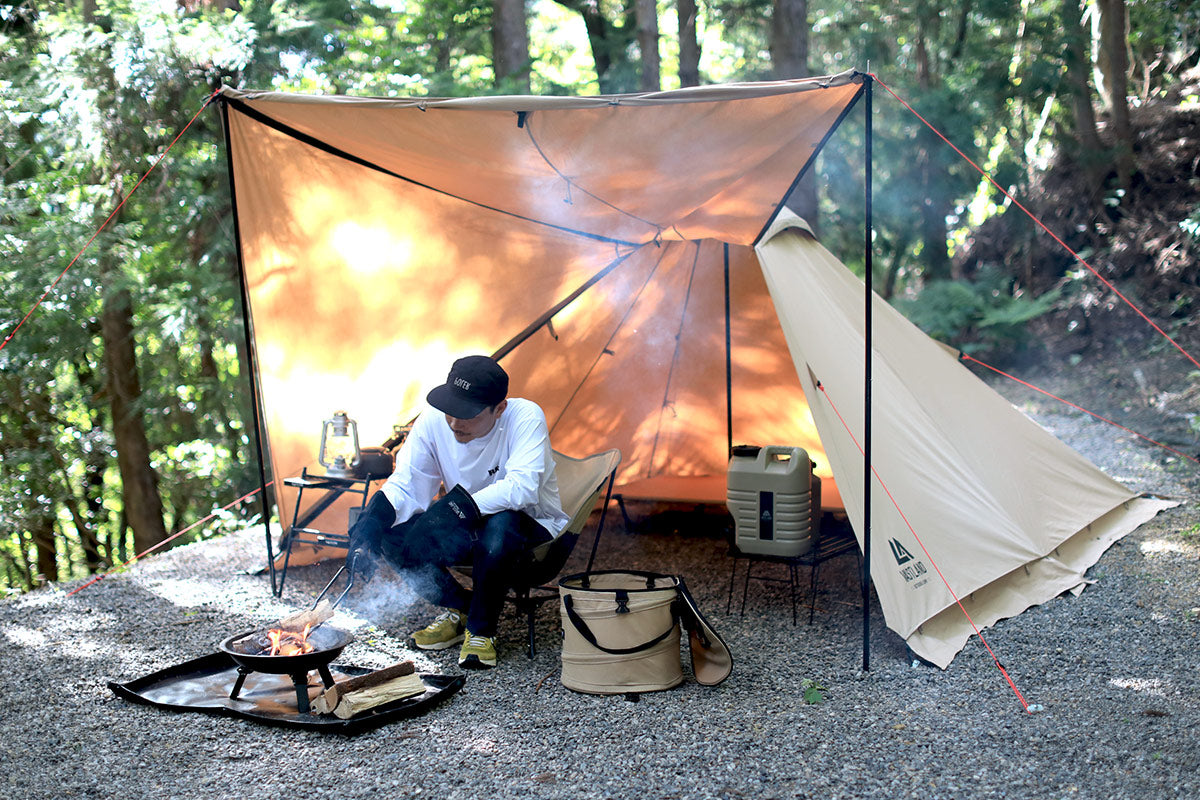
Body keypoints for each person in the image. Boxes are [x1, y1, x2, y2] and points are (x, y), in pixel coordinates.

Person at [345, 355, 568, 669]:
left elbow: (522, 487)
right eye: (451, 409)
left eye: (467, 414)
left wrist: (456, 510)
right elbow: (409, 483)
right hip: (465, 522)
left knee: (501, 525)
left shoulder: (524, 416)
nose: (454, 422)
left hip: (528, 523)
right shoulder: (434, 420)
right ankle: (462, 607)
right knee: (392, 537)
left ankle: (482, 630)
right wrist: (373, 521)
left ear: (498, 409)